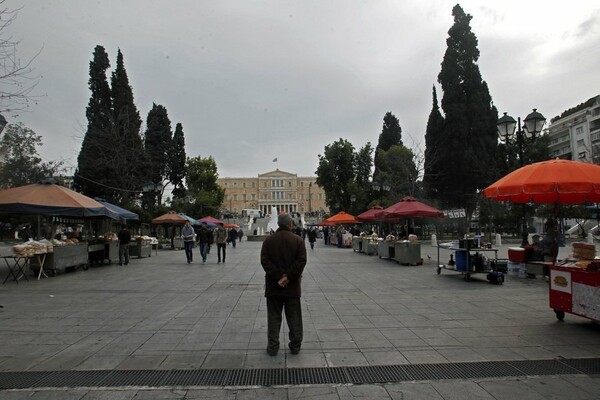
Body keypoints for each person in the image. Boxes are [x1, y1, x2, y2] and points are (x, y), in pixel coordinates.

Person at [260, 213, 307, 356]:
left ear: (278, 225)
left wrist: (278, 276)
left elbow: (265, 261)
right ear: (290, 224)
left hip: (274, 287)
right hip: (292, 287)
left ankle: (273, 346)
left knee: (273, 318)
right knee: (294, 318)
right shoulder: (298, 240)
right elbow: (301, 261)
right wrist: (288, 276)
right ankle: (295, 345)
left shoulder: (268, 241)